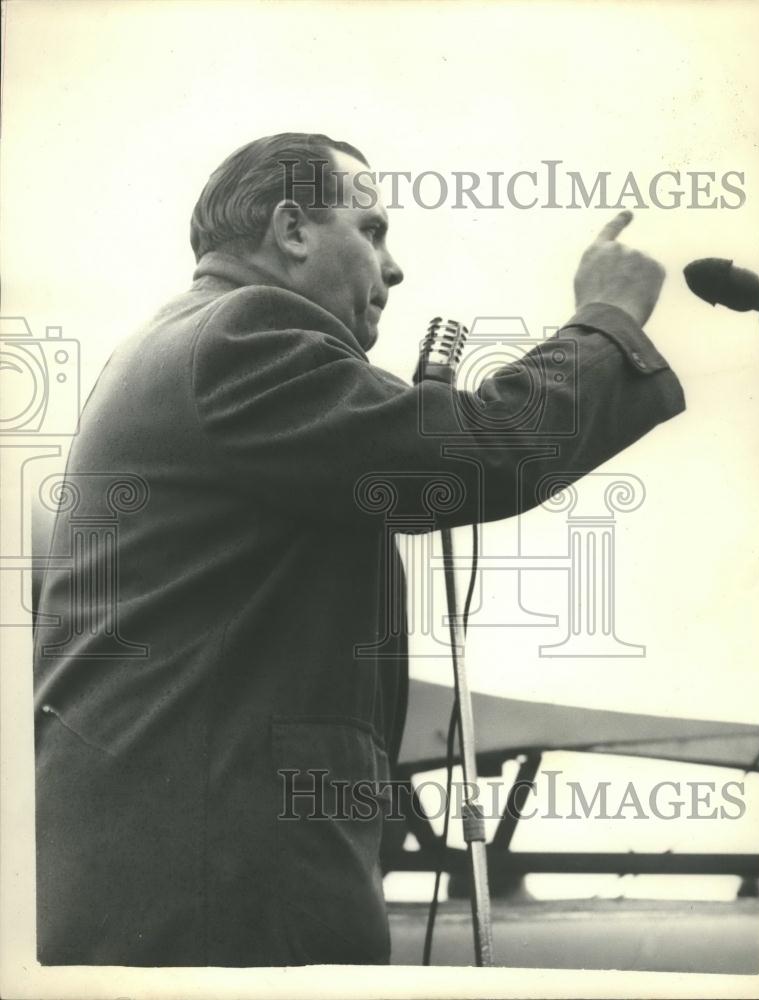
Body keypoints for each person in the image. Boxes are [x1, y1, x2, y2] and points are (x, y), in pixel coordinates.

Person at [33, 132, 685, 967]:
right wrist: (609, 323)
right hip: (222, 883)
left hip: (177, 868)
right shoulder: (247, 332)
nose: (395, 265)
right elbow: (473, 452)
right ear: (294, 229)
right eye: (372, 230)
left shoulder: (168, 343)